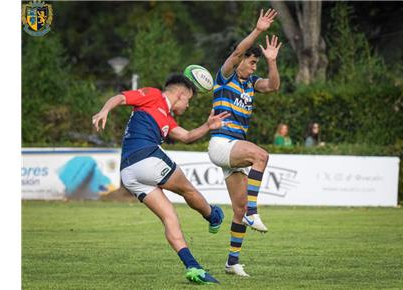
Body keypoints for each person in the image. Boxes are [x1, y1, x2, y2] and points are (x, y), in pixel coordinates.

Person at [92, 74, 231, 285]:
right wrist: (104, 110)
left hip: (129, 173)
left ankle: (193, 267)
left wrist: (207, 126)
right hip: (146, 157)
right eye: (188, 100)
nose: (188, 105)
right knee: (189, 190)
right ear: (180, 94)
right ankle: (213, 216)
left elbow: (186, 137)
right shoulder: (153, 94)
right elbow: (120, 98)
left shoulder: (166, 117)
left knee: (169, 216)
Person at [207, 8, 282, 277]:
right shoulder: (224, 76)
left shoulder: (251, 83)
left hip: (233, 149)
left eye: (255, 64)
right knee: (261, 156)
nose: (253, 66)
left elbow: (273, 86)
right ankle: (254, 210)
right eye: (252, 62)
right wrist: (259, 30)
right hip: (221, 143)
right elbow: (239, 51)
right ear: (240, 62)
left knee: (237, 211)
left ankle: (232, 262)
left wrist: (271, 61)